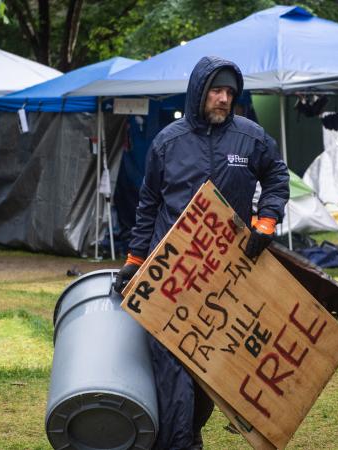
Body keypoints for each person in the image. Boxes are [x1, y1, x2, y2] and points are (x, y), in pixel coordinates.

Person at [113, 56, 289, 450]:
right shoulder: (168, 142)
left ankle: (186, 435)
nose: (224, 99)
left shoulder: (252, 138)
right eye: (216, 91)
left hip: (224, 278)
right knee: (171, 370)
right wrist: (135, 260)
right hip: (171, 276)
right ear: (198, 92)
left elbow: (277, 176)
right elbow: (148, 205)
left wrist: (267, 219)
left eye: (230, 92)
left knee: (208, 373)